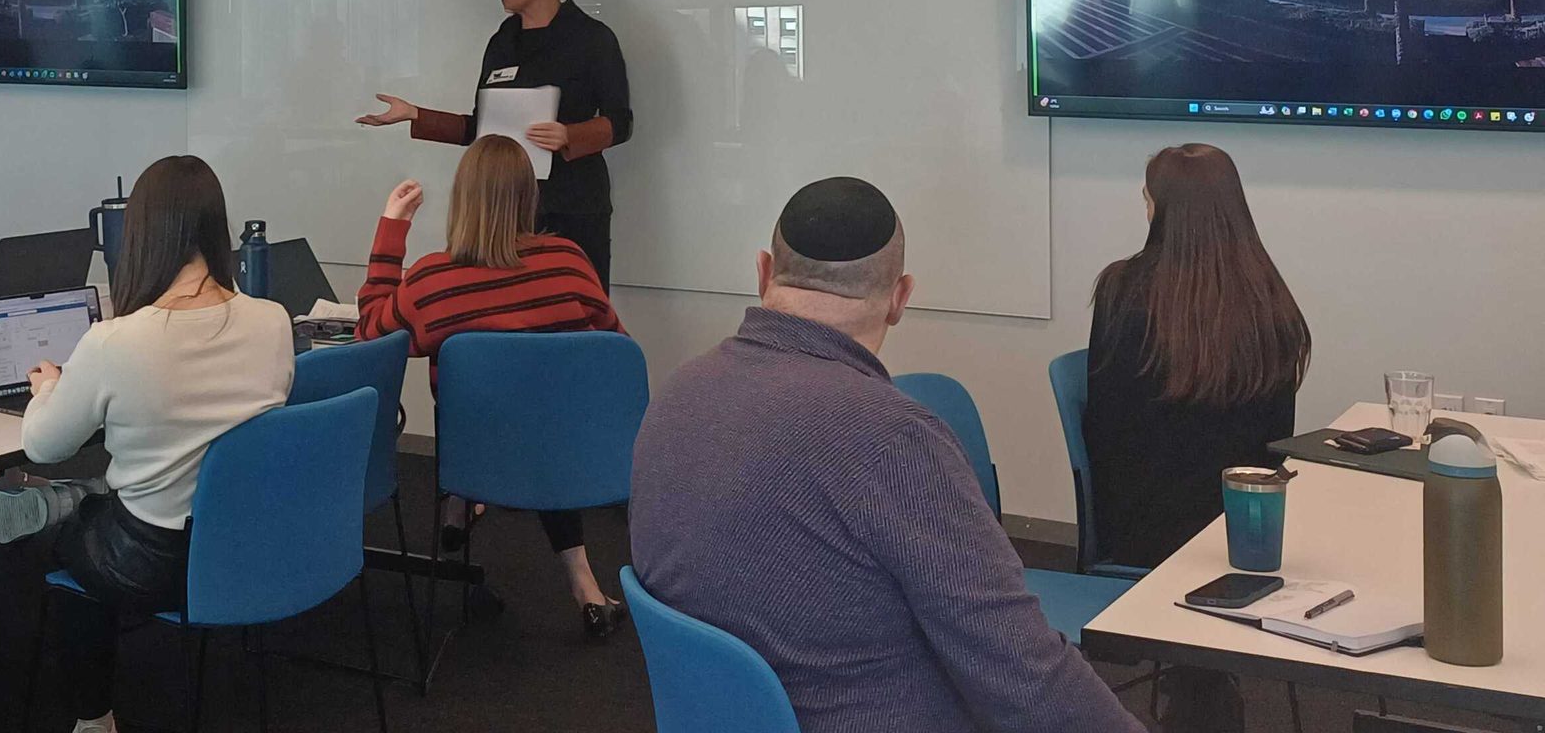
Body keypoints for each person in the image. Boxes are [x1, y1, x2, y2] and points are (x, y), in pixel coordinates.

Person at [630, 177, 1142, 733]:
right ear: (900, 298)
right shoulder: (891, 438)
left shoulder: (678, 392)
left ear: (761, 273)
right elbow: (1020, 670)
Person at [0, 154, 294, 733]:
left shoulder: (115, 341)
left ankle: (93, 718)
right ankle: (77, 499)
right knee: (106, 502)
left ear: (140, 232)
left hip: (148, 562)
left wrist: (50, 388)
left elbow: (43, 443)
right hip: (245, 543)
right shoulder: (273, 320)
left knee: (60, 539)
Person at [357, 135, 627, 639]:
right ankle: (586, 589)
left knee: (488, 411)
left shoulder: (432, 281)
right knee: (536, 414)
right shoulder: (567, 262)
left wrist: (393, 227)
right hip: (565, 452)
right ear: (531, 197)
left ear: (462, 199)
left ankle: (461, 499)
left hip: (476, 452)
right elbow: (615, 347)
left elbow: (369, 328)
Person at [1085, 143, 1312, 733]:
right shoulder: (1267, 293)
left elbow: (1106, 428)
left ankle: (1197, 687)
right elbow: (1274, 437)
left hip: (1144, 524)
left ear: (1160, 208)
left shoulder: (1122, 288)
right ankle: (1204, 685)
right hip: (1249, 526)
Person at [357, 0, 631, 291]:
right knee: (501, 309)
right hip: (502, 207)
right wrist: (416, 115)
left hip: (572, 205)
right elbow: (483, 128)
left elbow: (621, 122)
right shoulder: (503, 40)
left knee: (575, 311)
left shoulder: (593, 38)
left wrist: (570, 135)